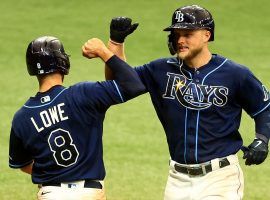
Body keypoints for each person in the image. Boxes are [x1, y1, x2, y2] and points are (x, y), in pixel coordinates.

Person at [105, 5, 270, 200]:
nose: (180, 40)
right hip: (177, 180)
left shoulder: (235, 74)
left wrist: (262, 140)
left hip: (220, 178)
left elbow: (264, 108)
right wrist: (116, 42)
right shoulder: (159, 70)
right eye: (176, 35)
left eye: (188, 34)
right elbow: (120, 83)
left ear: (206, 35)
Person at [8, 36, 145, 200]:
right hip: (89, 193)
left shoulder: (22, 116)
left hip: (51, 194)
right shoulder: (84, 94)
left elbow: (22, 164)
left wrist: (53, 171)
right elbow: (133, 85)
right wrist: (104, 51)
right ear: (63, 62)